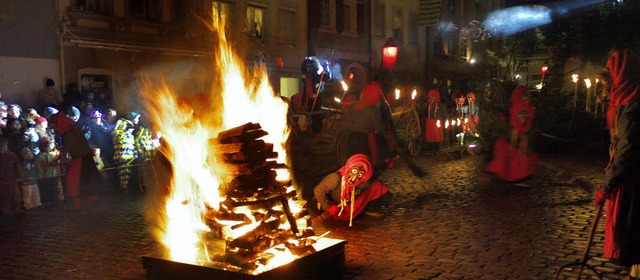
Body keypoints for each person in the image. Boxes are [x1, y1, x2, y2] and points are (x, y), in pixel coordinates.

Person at [594, 49, 640, 279]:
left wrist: (607, 186)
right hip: (629, 177)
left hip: (634, 180)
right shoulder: (627, 99)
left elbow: (627, 149)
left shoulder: (633, 106)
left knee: (632, 230)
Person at [313, 154, 391, 226]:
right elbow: (318, 190)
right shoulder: (335, 178)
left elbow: (375, 173)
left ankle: (367, 209)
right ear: (349, 167)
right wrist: (327, 207)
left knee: (377, 186)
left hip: (349, 205)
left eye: (359, 175)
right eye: (354, 171)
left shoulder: (363, 181)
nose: (353, 178)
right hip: (334, 207)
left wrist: (387, 164)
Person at [51, 113, 100, 209]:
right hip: (84, 158)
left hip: (80, 159)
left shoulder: (69, 134)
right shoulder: (73, 131)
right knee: (87, 180)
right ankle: (90, 201)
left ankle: (78, 203)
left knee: (74, 181)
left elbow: (67, 149)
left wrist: (58, 159)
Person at [0, 136, 23, 214]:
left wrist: (19, 176)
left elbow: (17, 166)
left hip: (11, 181)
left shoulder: (10, 155)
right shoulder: (10, 155)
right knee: (6, 199)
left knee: (14, 199)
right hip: (5, 182)